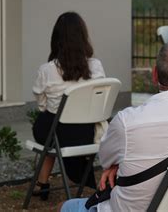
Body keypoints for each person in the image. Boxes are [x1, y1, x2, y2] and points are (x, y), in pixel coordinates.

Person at [59, 38, 168, 212]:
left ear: (155, 75)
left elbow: (106, 159)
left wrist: (117, 163)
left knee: (66, 207)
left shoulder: (127, 122)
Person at [32, 11, 105, 200]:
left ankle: (42, 184)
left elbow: (42, 105)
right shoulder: (96, 66)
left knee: (48, 126)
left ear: (56, 39)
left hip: (58, 133)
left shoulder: (46, 70)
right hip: (86, 133)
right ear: (83, 37)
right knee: (53, 127)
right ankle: (45, 183)